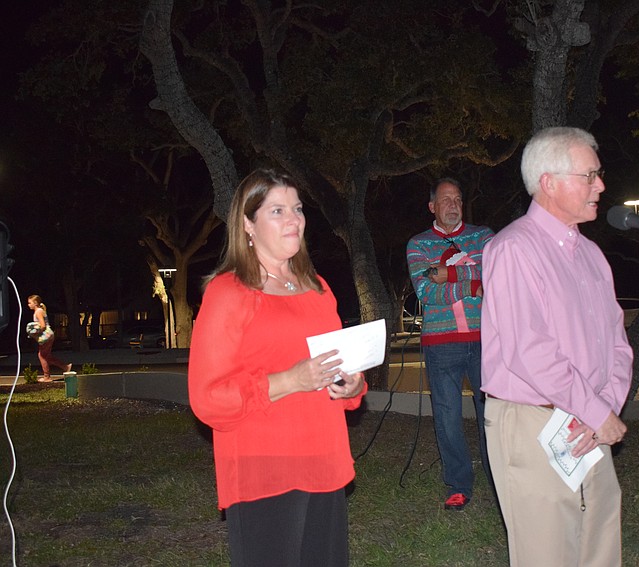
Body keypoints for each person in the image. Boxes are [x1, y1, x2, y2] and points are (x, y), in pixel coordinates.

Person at [188, 168, 367, 567]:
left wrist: (352, 386)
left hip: (324, 460)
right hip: (263, 468)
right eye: (277, 211)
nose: (294, 219)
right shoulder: (228, 292)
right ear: (248, 224)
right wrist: (289, 380)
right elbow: (207, 398)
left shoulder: (318, 288)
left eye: (298, 208)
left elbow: (339, 366)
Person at [481, 127, 632, 566]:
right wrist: (597, 411)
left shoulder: (591, 255)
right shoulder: (513, 249)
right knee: (546, 553)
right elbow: (530, 351)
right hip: (534, 422)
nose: (600, 185)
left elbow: (617, 345)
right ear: (549, 182)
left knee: (600, 543)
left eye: (598, 175)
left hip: (590, 422)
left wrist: (603, 406)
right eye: (589, 175)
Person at [406, 177, 494, 511]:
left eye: (457, 198)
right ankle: (458, 483)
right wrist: (473, 285)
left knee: (494, 414)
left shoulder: (483, 236)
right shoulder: (418, 245)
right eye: (445, 200)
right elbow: (426, 291)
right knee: (447, 417)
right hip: (441, 344)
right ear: (432, 206)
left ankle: (500, 473)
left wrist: (449, 274)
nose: (453, 204)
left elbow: (498, 275)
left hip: (487, 339)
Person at [26, 295, 71, 382]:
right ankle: (65, 367)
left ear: (35, 303)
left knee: (42, 356)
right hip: (49, 335)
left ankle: (47, 376)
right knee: (47, 356)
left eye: (29, 303)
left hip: (46, 336)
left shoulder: (38, 312)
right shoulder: (40, 311)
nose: (28, 305)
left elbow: (42, 326)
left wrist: (34, 332)